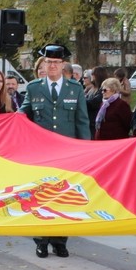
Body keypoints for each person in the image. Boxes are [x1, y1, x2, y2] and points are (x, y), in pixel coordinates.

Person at [19, 44, 90, 258]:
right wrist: (14, 117)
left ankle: (60, 241)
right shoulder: (33, 88)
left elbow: (82, 121)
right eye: (49, 62)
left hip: (68, 152)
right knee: (41, 196)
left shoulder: (74, 88)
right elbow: (24, 113)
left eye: (57, 62)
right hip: (42, 153)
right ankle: (41, 241)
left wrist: (85, 150)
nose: (52, 66)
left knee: (64, 197)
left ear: (63, 65)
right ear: (43, 64)